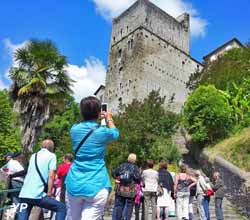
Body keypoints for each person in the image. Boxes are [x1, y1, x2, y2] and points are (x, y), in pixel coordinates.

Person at [66, 96, 119, 220]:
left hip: (74, 182)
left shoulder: (74, 129)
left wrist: (95, 117)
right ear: (99, 112)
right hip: (97, 183)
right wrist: (109, 119)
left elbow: (85, 127)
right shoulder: (103, 132)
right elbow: (115, 133)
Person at [16, 139, 66, 220]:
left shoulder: (33, 156)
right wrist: (49, 192)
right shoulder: (52, 156)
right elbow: (51, 175)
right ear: (52, 148)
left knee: (22, 217)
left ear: (41, 146)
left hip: (24, 193)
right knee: (61, 208)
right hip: (37, 194)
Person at [112, 153, 141, 220]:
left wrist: (117, 178)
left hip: (121, 189)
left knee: (120, 206)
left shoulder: (122, 166)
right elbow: (138, 178)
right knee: (129, 207)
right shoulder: (135, 167)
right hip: (130, 190)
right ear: (135, 159)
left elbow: (113, 172)